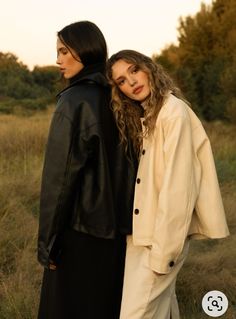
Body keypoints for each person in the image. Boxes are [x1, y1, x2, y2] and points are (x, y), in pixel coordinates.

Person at [106, 49, 230, 319]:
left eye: (134, 70)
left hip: (159, 241)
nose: (131, 83)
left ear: (149, 68)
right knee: (161, 310)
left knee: (134, 314)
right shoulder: (151, 115)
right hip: (144, 233)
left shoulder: (173, 114)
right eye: (121, 81)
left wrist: (164, 254)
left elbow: (179, 189)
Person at [37, 23, 137, 319]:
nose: (58, 60)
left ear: (86, 49)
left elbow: (60, 180)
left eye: (64, 51)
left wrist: (47, 245)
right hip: (119, 235)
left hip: (78, 234)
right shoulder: (120, 98)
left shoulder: (74, 101)